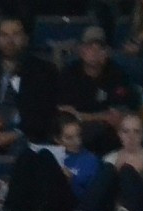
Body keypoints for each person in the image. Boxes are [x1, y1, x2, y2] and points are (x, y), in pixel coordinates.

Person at [0, 16, 58, 152]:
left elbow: (46, 114)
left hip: (26, 136)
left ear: (25, 38)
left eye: (16, 34)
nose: (9, 40)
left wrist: (17, 133)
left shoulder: (44, 71)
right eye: (4, 35)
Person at [4, 112, 110, 211]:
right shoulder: (54, 153)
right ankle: (10, 210)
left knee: (45, 155)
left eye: (79, 135)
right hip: (39, 198)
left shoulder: (90, 160)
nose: (77, 141)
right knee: (27, 155)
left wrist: (71, 181)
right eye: (69, 138)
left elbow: (91, 198)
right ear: (57, 139)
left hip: (69, 203)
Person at [57, 25, 137, 157]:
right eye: (90, 47)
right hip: (78, 130)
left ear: (107, 52)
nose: (95, 51)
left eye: (100, 48)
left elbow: (120, 112)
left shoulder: (117, 73)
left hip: (109, 131)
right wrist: (100, 117)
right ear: (81, 50)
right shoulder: (69, 73)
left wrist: (83, 115)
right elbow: (64, 110)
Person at [103, 111, 143, 211]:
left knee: (127, 171)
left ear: (142, 134)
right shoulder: (109, 159)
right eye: (126, 131)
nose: (131, 136)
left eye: (136, 131)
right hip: (115, 209)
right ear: (119, 134)